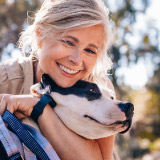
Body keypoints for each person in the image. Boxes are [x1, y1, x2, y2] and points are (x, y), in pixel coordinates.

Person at [0, 0, 116, 159]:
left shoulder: (100, 89)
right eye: (69, 42)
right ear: (40, 34)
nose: (77, 59)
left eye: (89, 50)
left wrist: (39, 107)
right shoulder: (4, 80)